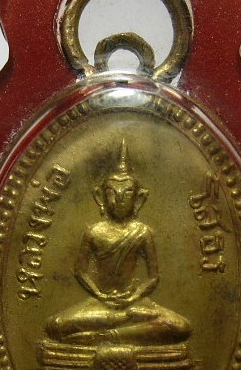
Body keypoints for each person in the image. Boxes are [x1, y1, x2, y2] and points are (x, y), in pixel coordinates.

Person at [46, 140, 192, 346]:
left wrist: (132, 298)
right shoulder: (94, 232)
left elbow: (153, 278)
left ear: (139, 198)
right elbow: (80, 271)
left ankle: (109, 336)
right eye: (112, 193)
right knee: (55, 325)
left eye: (127, 193)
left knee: (180, 326)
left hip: (134, 304)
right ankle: (126, 329)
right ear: (100, 197)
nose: (119, 199)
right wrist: (100, 295)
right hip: (100, 305)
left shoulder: (142, 232)